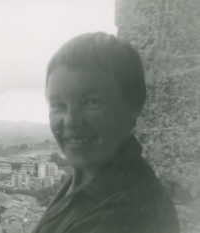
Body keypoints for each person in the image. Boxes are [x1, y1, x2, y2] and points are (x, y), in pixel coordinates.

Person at [33, 32, 180, 233]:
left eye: (91, 102)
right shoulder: (88, 176)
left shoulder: (123, 213)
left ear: (133, 106)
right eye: (58, 105)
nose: (71, 120)